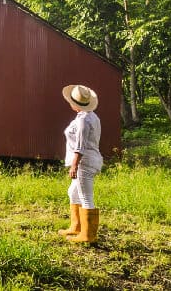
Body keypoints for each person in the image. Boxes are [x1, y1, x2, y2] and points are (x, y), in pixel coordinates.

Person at [57, 84, 102, 243]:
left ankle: (88, 236)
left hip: (84, 162)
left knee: (86, 197)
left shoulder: (83, 120)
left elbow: (80, 146)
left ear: (74, 103)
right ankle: (76, 226)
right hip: (90, 159)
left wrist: (75, 165)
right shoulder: (92, 116)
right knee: (73, 192)